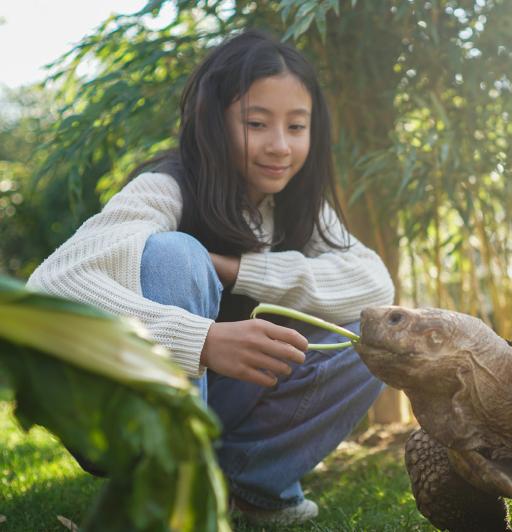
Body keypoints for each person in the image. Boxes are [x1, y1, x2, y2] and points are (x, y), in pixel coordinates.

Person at [26, 29, 394, 525]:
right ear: (215, 122)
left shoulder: (297, 206)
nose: (280, 146)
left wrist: (239, 270)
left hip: (223, 403)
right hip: (128, 412)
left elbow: (374, 283)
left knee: (370, 338)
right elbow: (51, 287)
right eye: (257, 123)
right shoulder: (165, 187)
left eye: (297, 126)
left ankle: (249, 486)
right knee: (176, 255)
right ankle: (169, 488)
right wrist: (199, 340)